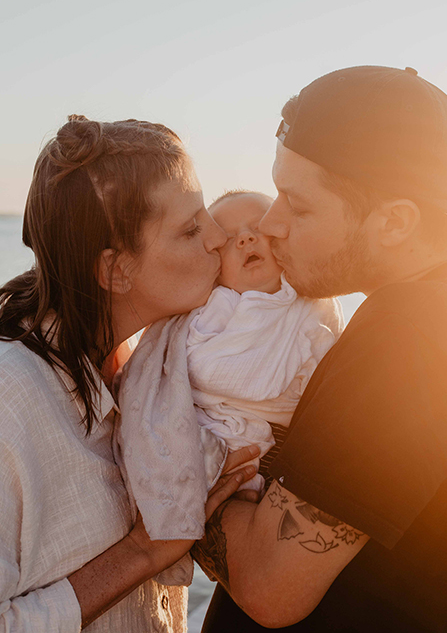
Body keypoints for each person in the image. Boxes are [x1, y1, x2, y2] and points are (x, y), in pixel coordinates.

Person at [194, 66, 447, 633]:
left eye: (298, 205)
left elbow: (269, 586)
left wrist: (156, 468)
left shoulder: (410, 334)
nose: (270, 223)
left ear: (395, 222)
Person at [0, 115, 258, 632]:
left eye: (205, 214)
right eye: (189, 229)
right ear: (115, 270)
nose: (218, 237)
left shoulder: (153, 365)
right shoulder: (11, 401)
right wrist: (143, 552)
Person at [116, 190, 343, 586]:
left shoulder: (311, 305)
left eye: (258, 230)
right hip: (217, 424)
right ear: (215, 270)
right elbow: (194, 369)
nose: (246, 239)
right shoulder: (212, 308)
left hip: (276, 445)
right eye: (229, 239)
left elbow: (328, 373)